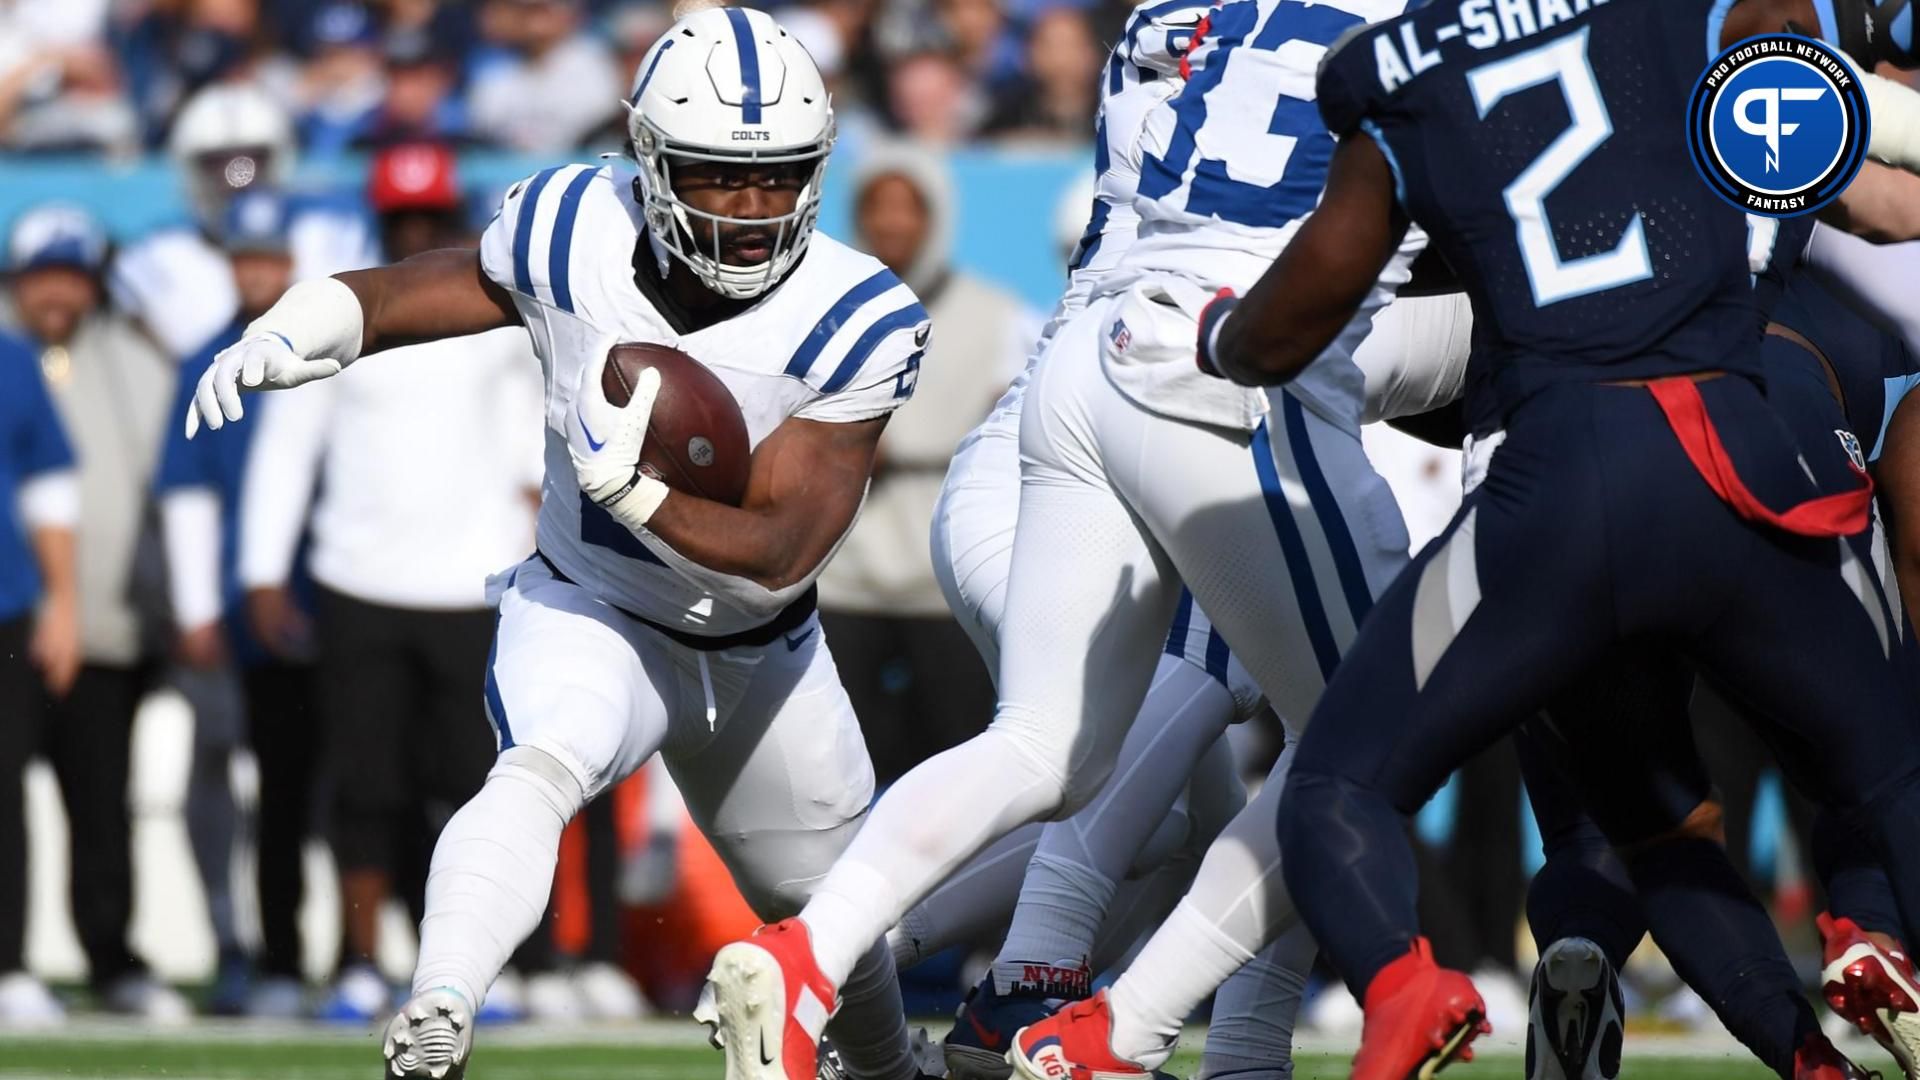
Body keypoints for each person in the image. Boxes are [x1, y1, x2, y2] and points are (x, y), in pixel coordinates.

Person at [184, 10, 936, 1080]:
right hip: (593, 608)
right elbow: (410, 291)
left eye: (780, 178)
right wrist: (296, 328)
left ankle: (890, 1068)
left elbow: (781, 547)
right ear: (651, 160)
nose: (756, 209)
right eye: (721, 177)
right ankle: (439, 1005)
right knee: (539, 767)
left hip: (761, 650)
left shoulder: (860, 312)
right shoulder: (571, 226)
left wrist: (636, 493)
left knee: (841, 920)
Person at [1192, 3, 1920, 1079]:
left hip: (1557, 478)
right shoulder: (1693, 27)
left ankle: (1403, 988)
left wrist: (1222, 336)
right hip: (1753, 453)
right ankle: (1866, 930)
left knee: (1370, 789)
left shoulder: (1395, 66)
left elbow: (1302, 324)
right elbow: (1869, 174)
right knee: (1890, 773)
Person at [233, 142, 550, 1025]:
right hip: (358, 580)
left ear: (452, 217)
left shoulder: (497, 313)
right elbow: (286, 451)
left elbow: (533, 429)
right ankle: (362, 962)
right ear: (377, 219)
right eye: (398, 218)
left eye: (428, 217)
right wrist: (262, 573)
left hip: (475, 583)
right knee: (365, 789)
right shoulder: (346, 311)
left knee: (476, 788)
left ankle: (478, 967)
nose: (414, 231)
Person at [1, 204, 187, 1021]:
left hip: (107, 625)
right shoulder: (11, 360)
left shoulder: (132, 363)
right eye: (44, 276)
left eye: (72, 276)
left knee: (102, 803)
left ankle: (112, 958)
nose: (58, 293)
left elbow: (162, 488)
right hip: (18, 621)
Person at [154, 187, 320, 1019]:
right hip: (233, 613)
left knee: (338, 787)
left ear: (290, 265)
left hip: (328, 604)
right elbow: (187, 496)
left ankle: (349, 951)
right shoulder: (203, 363)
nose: (258, 273)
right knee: (236, 782)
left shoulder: (331, 350)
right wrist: (194, 610)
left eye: (269, 258)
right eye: (245, 258)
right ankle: (238, 947)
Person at [817, 141, 1031, 782]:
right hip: (843, 577)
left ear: (934, 216)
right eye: (876, 207)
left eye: (906, 207)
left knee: (957, 766)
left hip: (948, 582)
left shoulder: (998, 317)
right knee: (838, 772)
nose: (890, 223)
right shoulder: (820, 313)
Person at [109, 81, 374, 363]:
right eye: (218, 166)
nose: (236, 182)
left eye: (249, 165)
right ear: (190, 170)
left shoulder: (327, 237)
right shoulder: (157, 256)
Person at [0, 243, 78, 1030]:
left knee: (2, 789)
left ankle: (9, 963)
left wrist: (63, 602)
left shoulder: (12, 359)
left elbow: (51, 484)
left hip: (5, 604)